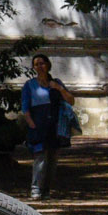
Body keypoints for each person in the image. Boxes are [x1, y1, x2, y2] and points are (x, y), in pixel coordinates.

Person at [18, 54, 71, 201]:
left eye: (42, 63)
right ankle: (36, 189)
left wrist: (59, 88)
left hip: (55, 125)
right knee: (40, 157)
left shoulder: (56, 82)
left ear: (48, 65)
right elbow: (25, 107)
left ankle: (47, 190)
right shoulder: (29, 85)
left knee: (53, 160)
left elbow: (71, 100)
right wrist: (31, 124)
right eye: (36, 64)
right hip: (38, 123)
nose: (39, 66)